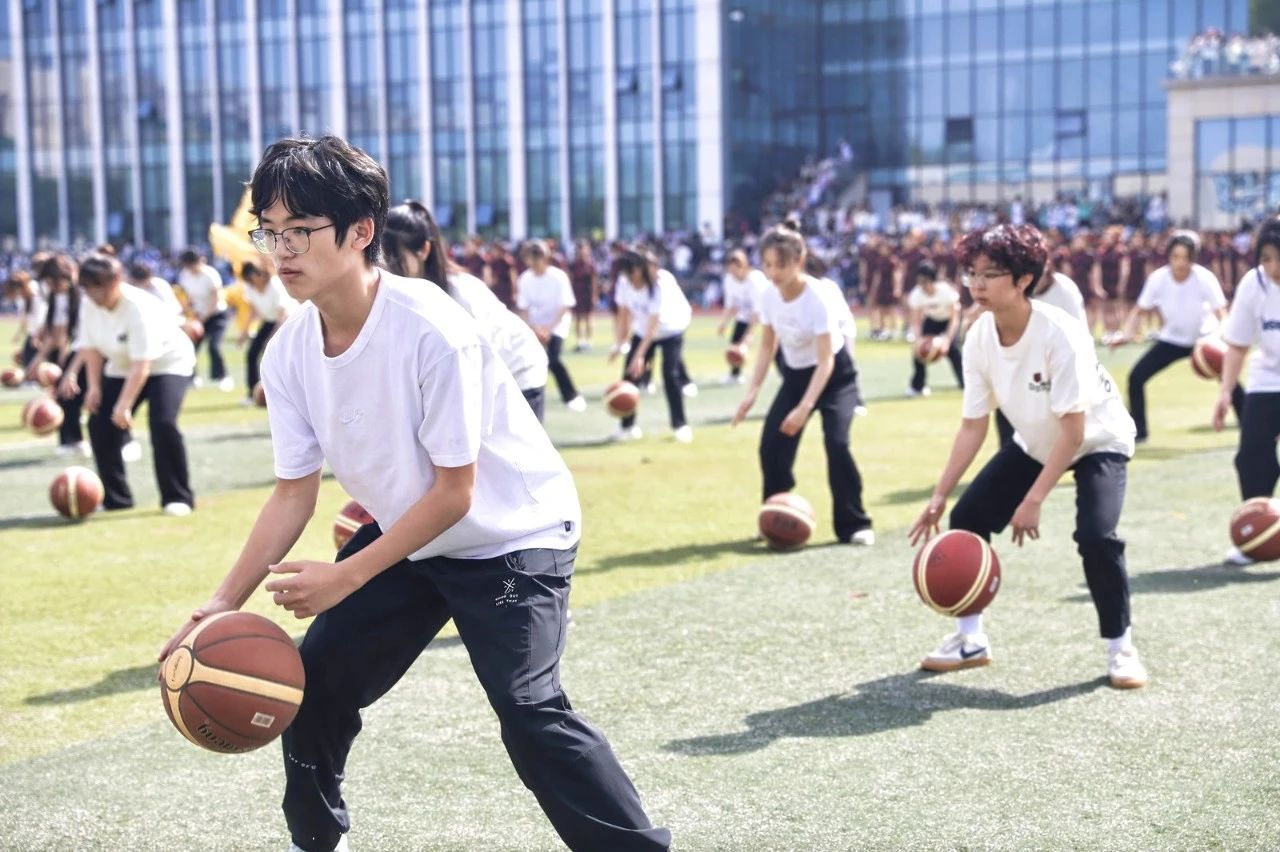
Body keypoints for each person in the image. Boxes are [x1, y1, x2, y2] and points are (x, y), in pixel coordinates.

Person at [157, 136, 670, 852]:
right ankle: (317, 842)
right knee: (312, 686)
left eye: (300, 230)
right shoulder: (289, 352)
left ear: (359, 231)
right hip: (415, 533)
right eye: (269, 231)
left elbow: (456, 493)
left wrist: (346, 575)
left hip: (512, 535)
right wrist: (221, 603)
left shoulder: (433, 328)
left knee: (529, 710)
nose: (280, 251)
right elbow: (291, 496)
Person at [907, 224, 1146, 690]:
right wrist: (938, 495)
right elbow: (973, 425)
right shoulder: (978, 335)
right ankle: (970, 640)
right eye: (971, 273)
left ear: (1023, 280)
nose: (976, 284)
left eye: (989, 274)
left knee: (1096, 536)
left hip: (1097, 439)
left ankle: (1121, 648)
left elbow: (1074, 431)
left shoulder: (1061, 333)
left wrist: (1034, 499)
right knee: (967, 516)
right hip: (1036, 439)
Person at [731, 223, 874, 546]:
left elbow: (826, 362)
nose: (773, 273)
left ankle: (854, 523)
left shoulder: (818, 297)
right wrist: (751, 393)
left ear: (800, 261)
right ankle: (775, 514)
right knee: (771, 446)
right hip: (795, 377)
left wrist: (804, 408)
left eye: (780, 265)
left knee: (837, 444)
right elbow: (767, 346)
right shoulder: (769, 295)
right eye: (767, 265)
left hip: (835, 378)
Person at [383, 200, 549, 422]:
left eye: (396, 257)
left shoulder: (460, 293)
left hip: (518, 372)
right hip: (481, 379)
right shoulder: (399, 294)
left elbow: (482, 359)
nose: (387, 267)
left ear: (424, 250)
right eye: (382, 258)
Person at [61, 254, 196, 515]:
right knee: (99, 423)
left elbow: (142, 364)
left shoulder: (138, 307)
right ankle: (116, 498)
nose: (92, 294)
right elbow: (90, 348)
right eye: (86, 288)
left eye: (97, 287)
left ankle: (177, 498)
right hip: (122, 365)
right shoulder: (89, 304)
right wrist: (94, 387)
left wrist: (124, 405)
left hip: (168, 363)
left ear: (115, 281)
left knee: (163, 423)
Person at [1112, 231, 1241, 444]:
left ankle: (1247, 422)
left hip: (1203, 341)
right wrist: (1125, 335)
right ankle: (1140, 432)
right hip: (1171, 340)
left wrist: (1216, 338)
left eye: (1186, 257)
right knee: (1136, 378)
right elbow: (1139, 311)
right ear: (1169, 256)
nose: (1180, 263)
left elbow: (1222, 314)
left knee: (1230, 377)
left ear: (1193, 258)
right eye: (1175, 256)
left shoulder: (1204, 278)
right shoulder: (1158, 279)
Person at [1213, 216, 1280, 565]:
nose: (1273, 267)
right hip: (1267, 380)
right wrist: (1226, 392)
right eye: (1266, 258)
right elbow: (1238, 345)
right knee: (1251, 457)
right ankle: (1256, 535)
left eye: (1279, 258)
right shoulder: (1253, 285)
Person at [609, 249, 694, 443]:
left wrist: (640, 355)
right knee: (630, 375)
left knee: (670, 374)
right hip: (643, 331)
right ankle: (627, 426)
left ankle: (681, 426)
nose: (629, 277)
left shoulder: (661, 283)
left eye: (632, 272)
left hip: (671, 329)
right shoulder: (624, 282)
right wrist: (620, 344)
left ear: (640, 269)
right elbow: (624, 314)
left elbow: (654, 327)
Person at [516, 240, 587, 413]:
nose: (534, 263)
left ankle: (571, 395)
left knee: (553, 360)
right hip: (534, 326)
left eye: (537, 257)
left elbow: (565, 305)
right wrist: (534, 329)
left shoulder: (558, 277)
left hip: (557, 324)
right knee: (525, 361)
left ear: (545, 257)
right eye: (530, 258)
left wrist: (548, 329)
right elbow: (524, 309)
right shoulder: (525, 279)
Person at [238, 259, 298, 405]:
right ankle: (252, 393)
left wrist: (274, 337)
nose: (254, 280)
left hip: (288, 322)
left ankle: (289, 393)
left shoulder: (275, 285)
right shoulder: (250, 289)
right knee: (252, 354)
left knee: (285, 357)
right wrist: (244, 332)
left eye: (255, 275)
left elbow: (283, 313)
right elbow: (253, 312)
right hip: (269, 321)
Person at [904, 261, 963, 398]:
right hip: (932, 320)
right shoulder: (916, 294)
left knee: (954, 352)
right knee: (918, 353)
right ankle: (918, 386)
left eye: (926, 282)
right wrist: (919, 339)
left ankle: (965, 383)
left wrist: (947, 340)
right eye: (920, 282)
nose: (923, 286)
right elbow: (916, 320)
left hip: (948, 321)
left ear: (933, 280)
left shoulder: (946, 292)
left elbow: (955, 319)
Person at [176, 249, 232, 391]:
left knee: (214, 346)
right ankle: (192, 378)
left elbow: (215, 299)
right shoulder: (185, 275)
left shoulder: (210, 274)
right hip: (198, 316)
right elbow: (189, 297)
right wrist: (185, 311)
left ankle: (222, 377)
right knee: (189, 346)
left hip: (216, 315)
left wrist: (203, 318)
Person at [717, 248, 769, 384]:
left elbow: (757, 311)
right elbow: (730, 305)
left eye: (736, 269)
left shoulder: (755, 280)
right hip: (745, 315)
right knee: (735, 343)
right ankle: (735, 375)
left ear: (744, 266)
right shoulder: (729, 280)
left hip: (768, 315)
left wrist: (749, 335)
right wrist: (723, 323)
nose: (733, 273)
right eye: (731, 270)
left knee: (772, 346)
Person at [568, 240, 600, 352]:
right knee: (577, 318)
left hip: (588, 294)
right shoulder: (573, 265)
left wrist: (595, 295)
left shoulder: (591, 264)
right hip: (577, 293)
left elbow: (595, 282)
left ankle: (589, 341)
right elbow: (570, 280)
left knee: (588, 317)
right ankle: (580, 341)